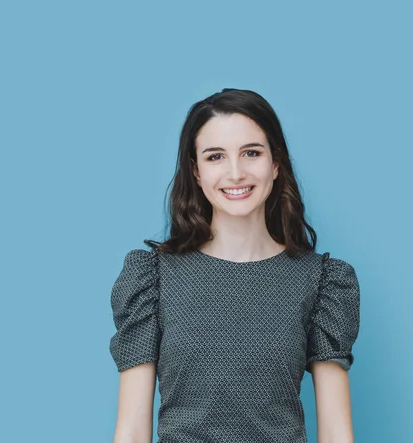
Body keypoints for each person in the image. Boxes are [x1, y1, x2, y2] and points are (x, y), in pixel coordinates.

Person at [109, 88, 361, 443]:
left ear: (275, 163)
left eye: (251, 153)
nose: (236, 172)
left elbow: (337, 433)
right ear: (196, 172)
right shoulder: (152, 279)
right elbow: (132, 432)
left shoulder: (321, 281)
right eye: (215, 157)